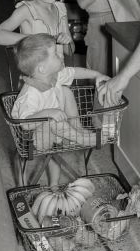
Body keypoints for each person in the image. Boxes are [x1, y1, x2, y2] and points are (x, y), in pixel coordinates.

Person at [11, 33, 110, 188]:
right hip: (34, 139)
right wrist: (48, 112)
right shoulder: (31, 93)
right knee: (53, 122)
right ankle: (79, 137)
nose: (60, 55)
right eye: (56, 55)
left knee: (65, 91)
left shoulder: (52, 76)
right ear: (43, 68)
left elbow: (75, 72)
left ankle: (55, 183)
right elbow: (25, 124)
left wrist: (96, 74)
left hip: (55, 131)